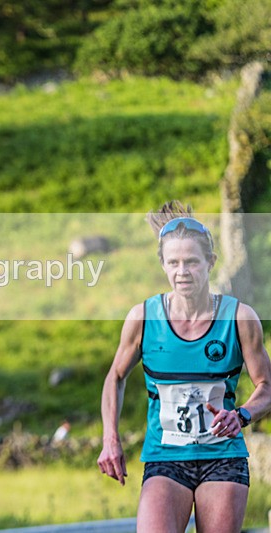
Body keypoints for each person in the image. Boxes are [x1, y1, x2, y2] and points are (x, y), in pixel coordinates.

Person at [97, 201, 271, 533]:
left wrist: (242, 415)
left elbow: (267, 386)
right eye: (173, 262)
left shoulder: (239, 318)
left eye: (192, 262)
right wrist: (111, 438)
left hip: (222, 457)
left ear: (210, 263)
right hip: (165, 457)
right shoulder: (143, 318)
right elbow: (115, 376)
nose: (182, 272)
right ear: (162, 264)